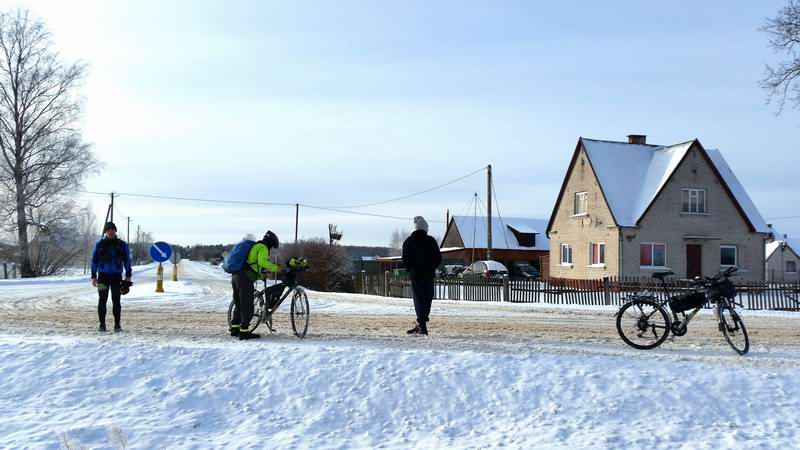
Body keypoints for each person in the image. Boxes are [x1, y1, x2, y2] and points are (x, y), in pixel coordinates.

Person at [230, 230, 281, 340]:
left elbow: (252, 266)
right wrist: (275, 268)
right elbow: (262, 262)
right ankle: (244, 332)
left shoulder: (255, 246)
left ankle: (234, 328)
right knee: (247, 305)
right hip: (244, 278)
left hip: (236, 276)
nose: (271, 250)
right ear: (270, 243)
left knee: (239, 303)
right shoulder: (262, 248)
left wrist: (262, 276)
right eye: (272, 247)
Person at [402, 216, 442, 335]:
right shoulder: (431, 240)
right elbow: (438, 258)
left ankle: (422, 325)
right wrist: (431, 267)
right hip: (428, 274)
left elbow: (405, 258)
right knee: (427, 298)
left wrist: (411, 269)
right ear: (425, 228)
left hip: (416, 274)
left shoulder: (409, 241)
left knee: (419, 298)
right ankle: (422, 324)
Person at [90, 222, 132, 332]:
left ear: (115, 231)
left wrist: (128, 275)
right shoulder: (99, 244)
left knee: (116, 301)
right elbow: (94, 261)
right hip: (102, 277)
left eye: (113, 229)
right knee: (102, 300)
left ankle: (117, 325)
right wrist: (93, 276)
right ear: (105, 232)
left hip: (116, 277)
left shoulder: (122, 244)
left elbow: (127, 260)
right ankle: (102, 325)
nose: (111, 231)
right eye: (108, 230)